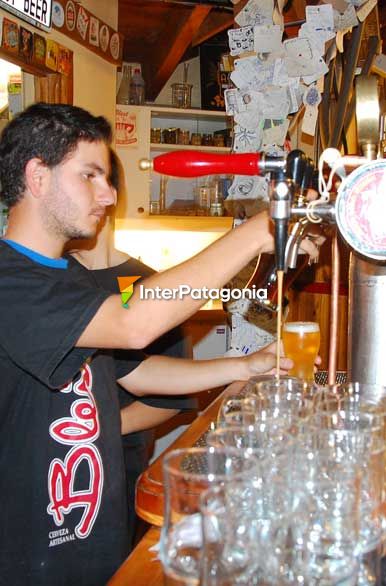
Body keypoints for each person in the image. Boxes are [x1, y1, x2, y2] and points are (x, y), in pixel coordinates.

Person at [0, 102, 317, 585]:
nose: (108, 195)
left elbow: (133, 369)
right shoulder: (9, 280)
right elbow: (135, 326)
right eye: (90, 176)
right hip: (30, 551)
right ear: (37, 177)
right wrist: (258, 232)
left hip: (91, 533)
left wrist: (242, 367)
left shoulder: (71, 280)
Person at [68, 148, 197, 548]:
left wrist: (99, 430)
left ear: (111, 194)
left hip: (120, 464)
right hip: (58, 466)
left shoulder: (141, 284)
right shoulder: (55, 278)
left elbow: (170, 398)